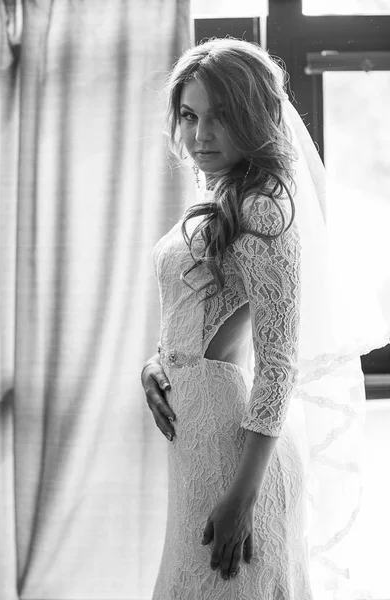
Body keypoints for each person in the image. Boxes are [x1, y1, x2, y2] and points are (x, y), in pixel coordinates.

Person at [141, 38, 389, 599]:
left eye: (220, 117)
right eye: (189, 116)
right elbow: (202, 314)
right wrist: (157, 365)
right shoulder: (223, 199)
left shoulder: (263, 209)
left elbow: (278, 365)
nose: (200, 135)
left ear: (253, 117)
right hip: (201, 446)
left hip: (235, 461)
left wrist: (241, 498)